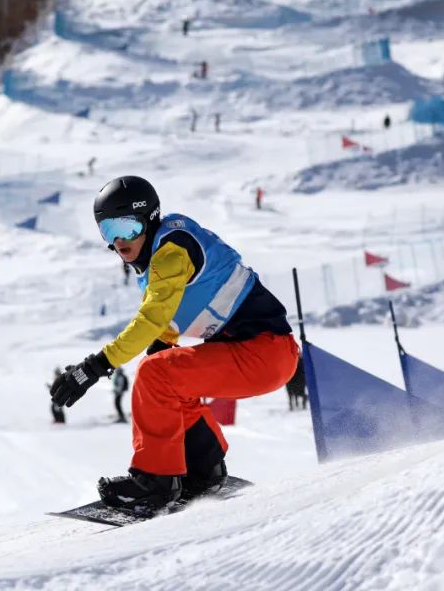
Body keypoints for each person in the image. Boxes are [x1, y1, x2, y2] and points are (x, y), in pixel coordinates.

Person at [50, 177, 298, 511]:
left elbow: (151, 319)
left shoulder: (170, 253)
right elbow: (168, 322)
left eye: (127, 227)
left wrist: (94, 367)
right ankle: (204, 470)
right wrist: (159, 349)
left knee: (157, 374)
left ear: (150, 220)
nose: (119, 241)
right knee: (163, 379)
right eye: (108, 231)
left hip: (264, 352)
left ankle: (155, 482)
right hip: (259, 352)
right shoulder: (158, 255)